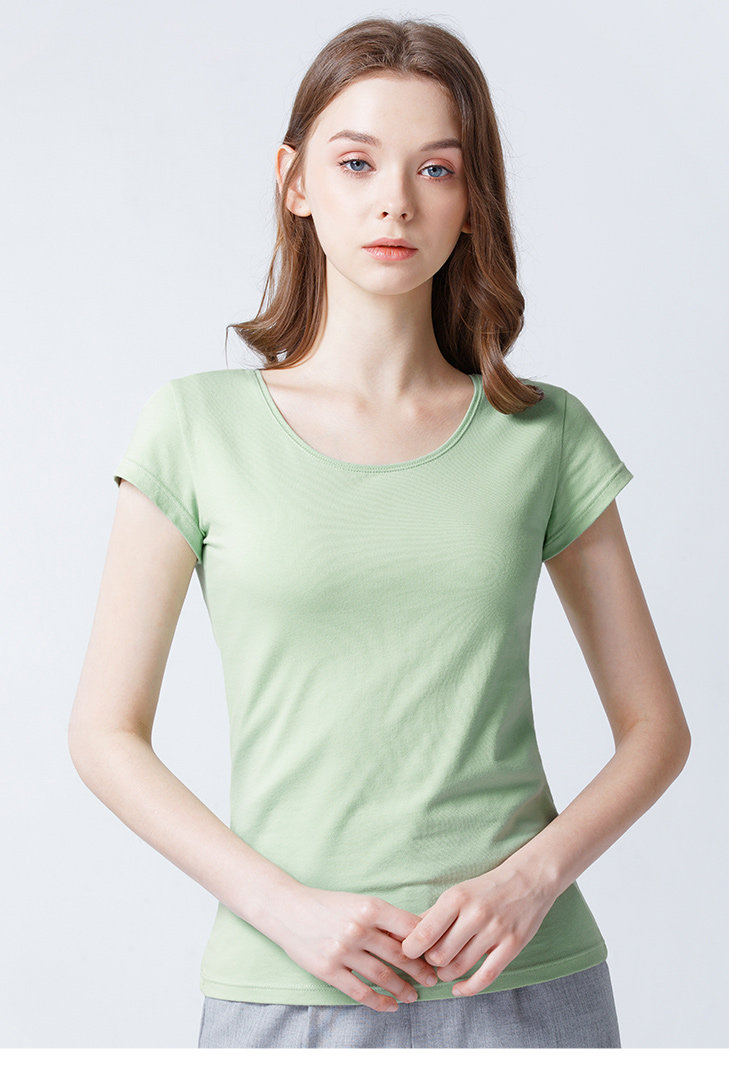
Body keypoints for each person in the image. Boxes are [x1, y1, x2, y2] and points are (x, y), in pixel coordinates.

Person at [68, 15, 691, 1050]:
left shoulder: (543, 434)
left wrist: (530, 882)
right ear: (295, 181)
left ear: (472, 199)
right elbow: (103, 734)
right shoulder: (194, 426)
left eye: (436, 168)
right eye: (356, 162)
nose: (395, 200)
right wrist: (285, 911)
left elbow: (656, 730)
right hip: (287, 991)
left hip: (528, 989)